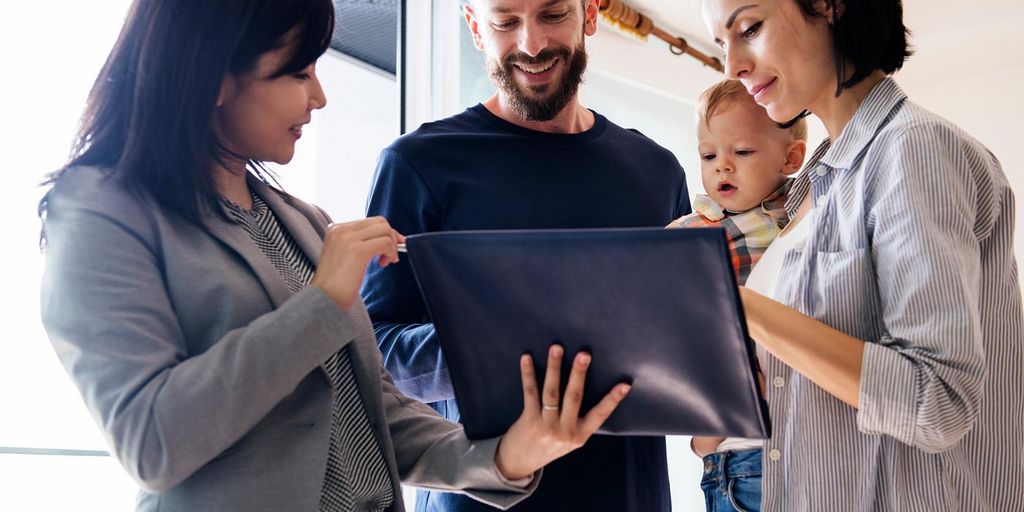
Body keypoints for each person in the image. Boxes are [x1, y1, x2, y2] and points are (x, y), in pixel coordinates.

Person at [37, 1, 631, 511]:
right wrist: (322, 303)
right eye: (296, 73)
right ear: (213, 76)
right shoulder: (98, 210)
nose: (319, 96)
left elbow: (378, 416)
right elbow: (151, 442)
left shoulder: (299, 220)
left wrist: (508, 456)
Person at [361, 0, 689, 510]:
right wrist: (503, 342)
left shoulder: (657, 171)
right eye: (504, 22)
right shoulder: (417, 165)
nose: (531, 44)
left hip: (632, 496)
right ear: (475, 27)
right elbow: (373, 357)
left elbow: (683, 344)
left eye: (553, 14)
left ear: (592, 14)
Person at [701, 0, 1024, 509]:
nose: (732, 67)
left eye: (750, 29)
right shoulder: (812, 187)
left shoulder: (913, 148)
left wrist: (732, 301)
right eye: (723, 45)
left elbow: (936, 401)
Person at [667, 78, 806, 511]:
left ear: (791, 158)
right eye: (709, 155)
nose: (722, 167)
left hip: (791, 437)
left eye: (741, 152)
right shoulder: (689, 233)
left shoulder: (805, 217)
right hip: (730, 449)